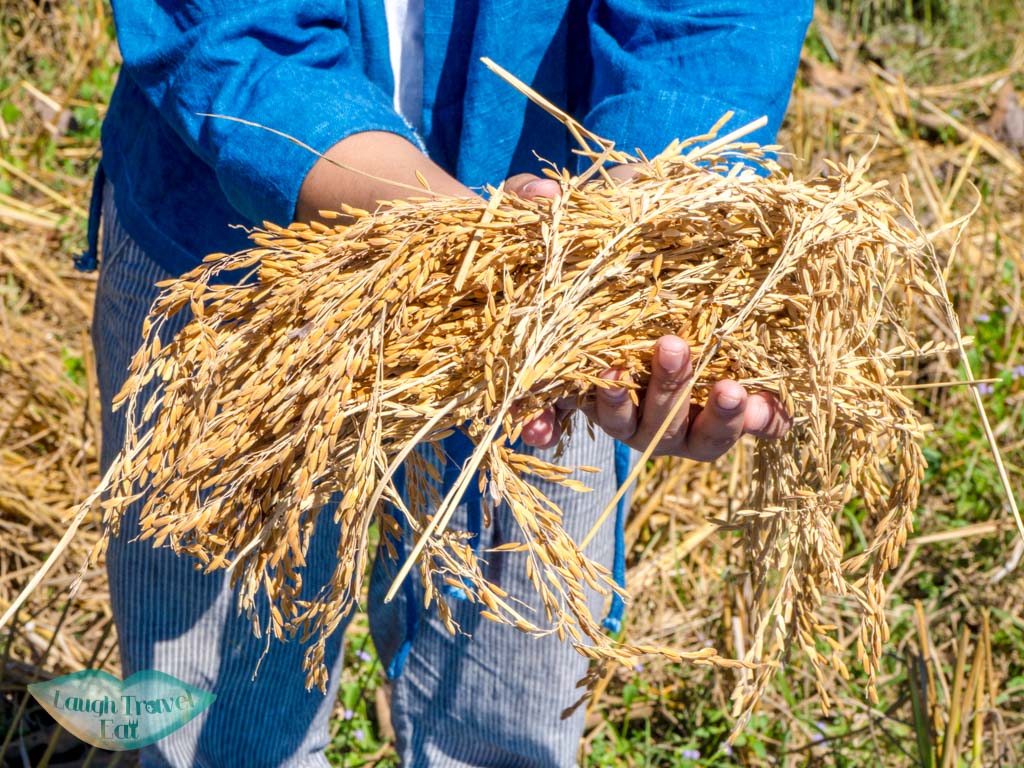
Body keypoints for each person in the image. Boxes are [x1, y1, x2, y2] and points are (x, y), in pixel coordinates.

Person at [84, 1, 811, 765]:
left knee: (507, 708)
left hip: (550, 256)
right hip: (238, 244)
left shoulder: (561, 272)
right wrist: (477, 253)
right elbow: (237, 33)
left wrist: (635, 238)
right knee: (214, 724)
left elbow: (709, 19)